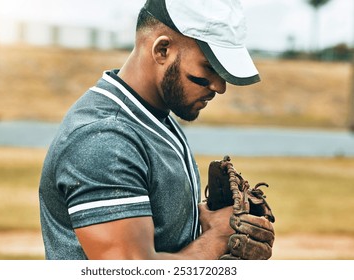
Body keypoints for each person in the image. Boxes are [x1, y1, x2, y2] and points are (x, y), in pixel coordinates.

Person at [39, 0, 260, 260]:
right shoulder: (105, 138)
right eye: (210, 67)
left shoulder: (153, 117)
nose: (220, 87)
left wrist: (205, 218)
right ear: (162, 50)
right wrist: (219, 237)